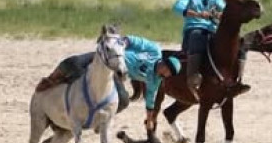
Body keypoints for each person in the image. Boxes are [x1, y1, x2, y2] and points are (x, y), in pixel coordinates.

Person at [36, 35, 181, 126]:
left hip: (116, 74)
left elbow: (150, 99)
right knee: (74, 63)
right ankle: (51, 79)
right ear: (165, 64)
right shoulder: (154, 50)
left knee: (123, 100)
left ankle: (101, 120)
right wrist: (121, 45)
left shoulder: (155, 79)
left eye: (169, 75)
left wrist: (150, 119)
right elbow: (133, 40)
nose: (167, 75)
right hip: (111, 59)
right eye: (168, 71)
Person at [172, 0, 249, 97]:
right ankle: (193, 77)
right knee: (197, 36)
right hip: (194, 28)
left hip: (213, 28)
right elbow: (178, 8)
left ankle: (238, 79)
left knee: (240, 42)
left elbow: (223, 8)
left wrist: (220, 15)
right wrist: (198, 14)